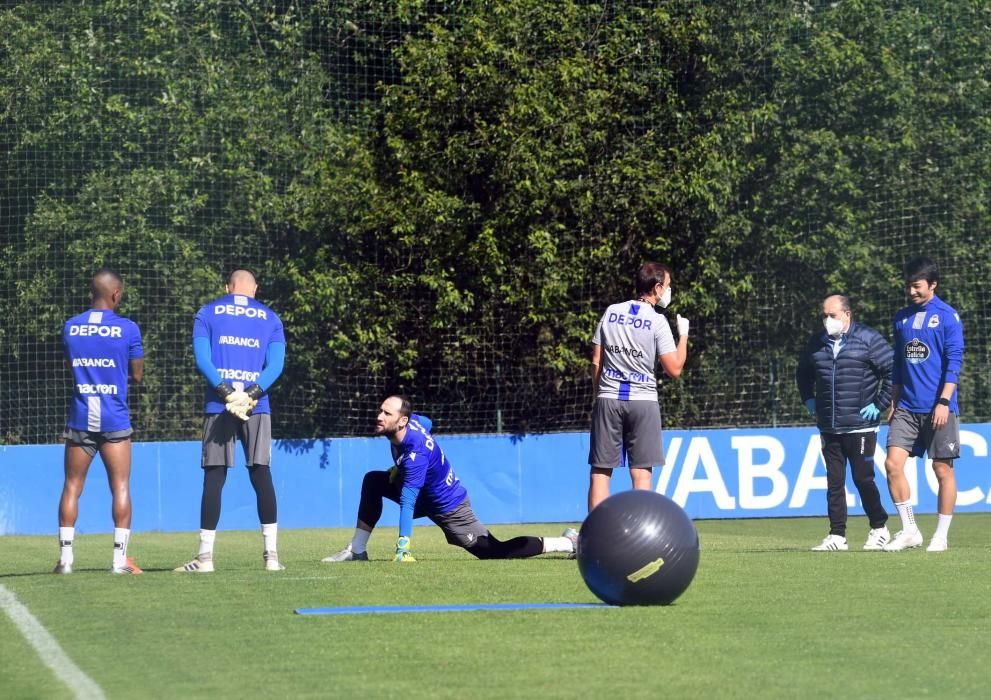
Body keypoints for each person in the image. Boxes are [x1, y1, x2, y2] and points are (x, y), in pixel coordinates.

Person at [322, 395, 577, 562]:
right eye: (380, 411)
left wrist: (403, 548)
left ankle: (567, 543)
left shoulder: (416, 455)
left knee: (494, 552)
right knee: (373, 481)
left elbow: (408, 503)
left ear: (402, 421)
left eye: (386, 414)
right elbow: (427, 421)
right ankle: (357, 550)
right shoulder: (413, 424)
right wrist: (397, 467)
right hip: (426, 495)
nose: (379, 416)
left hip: (450, 508)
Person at [175, 269, 287, 572]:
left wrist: (227, 393)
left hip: (218, 403)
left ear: (227, 287)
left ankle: (205, 558)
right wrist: (250, 393)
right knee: (261, 473)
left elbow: (202, 359)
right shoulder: (271, 317)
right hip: (257, 404)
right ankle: (272, 557)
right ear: (255, 289)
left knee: (214, 475)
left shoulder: (207, 313)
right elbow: (276, 365)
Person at [55, 269, 144, 575]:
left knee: (71, 485)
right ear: (116, 294)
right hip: (114, 418)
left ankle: (65, 560)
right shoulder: (128, 329)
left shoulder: (70, 327)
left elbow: (72, 367)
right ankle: (119, 561)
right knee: (120, 486)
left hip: (81, 417)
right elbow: (137, 375)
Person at [587, 262, 688, 511]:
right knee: (642, 474)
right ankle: (640, 541)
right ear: (656, 287)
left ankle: (595, 538)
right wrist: (683, 335)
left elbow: (596, 360)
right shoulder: (657, 321)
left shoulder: (611, 312)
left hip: (608, 398)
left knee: (601, 472)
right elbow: (674, 369)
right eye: (668, 286)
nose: (668, 291)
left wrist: (598, 394)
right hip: (643, 402)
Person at [796, 294, 894, 552]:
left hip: (861, 425)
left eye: (832, 315)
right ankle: (837, 536)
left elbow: (894, 371)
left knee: (863, 479)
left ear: (847, 315)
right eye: (824, 316)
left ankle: (880, 528)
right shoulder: (817, 343)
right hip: (829, 426)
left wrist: (880, 404)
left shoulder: (869, 339)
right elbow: (803, 373)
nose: (827, 320)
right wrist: (809, 400)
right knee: (834, 482)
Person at [882, 257, 964, 552]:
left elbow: (954, 362)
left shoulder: (948, 317)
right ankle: (909, 530)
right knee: (892, 464)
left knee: (942, 470)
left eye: (917, 286)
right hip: (906, 406)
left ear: (933, 285)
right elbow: (897, 363)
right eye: (908, 286)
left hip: (938, 407)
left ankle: (941, 535)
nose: (912, 291)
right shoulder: (901, 317)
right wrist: (893, 400)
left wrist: (944, 401)